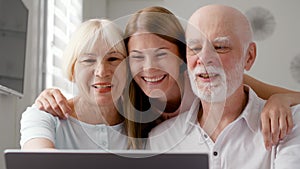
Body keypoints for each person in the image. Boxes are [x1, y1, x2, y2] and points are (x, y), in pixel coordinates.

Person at [34, 6, 300, 149]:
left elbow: (291, 97)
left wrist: (279, 100)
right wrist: (49, 96)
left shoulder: (204, 79)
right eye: (137, 56)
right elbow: (92, 98)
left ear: (182, 55)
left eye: (161, 54)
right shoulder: (130, 95)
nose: (148, 68)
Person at [147, 4, 300, 168]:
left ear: (249, 56)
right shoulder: (160, 140)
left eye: (220, 47)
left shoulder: (290, 122)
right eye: (195, 48)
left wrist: (281, 98)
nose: (204, 59)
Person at [20, 19, 129, 149]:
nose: (102, 72)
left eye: (113, 59)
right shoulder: (44, 115)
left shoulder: (143, 123)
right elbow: (37, 162)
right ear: (72, 70)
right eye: (89, 60)